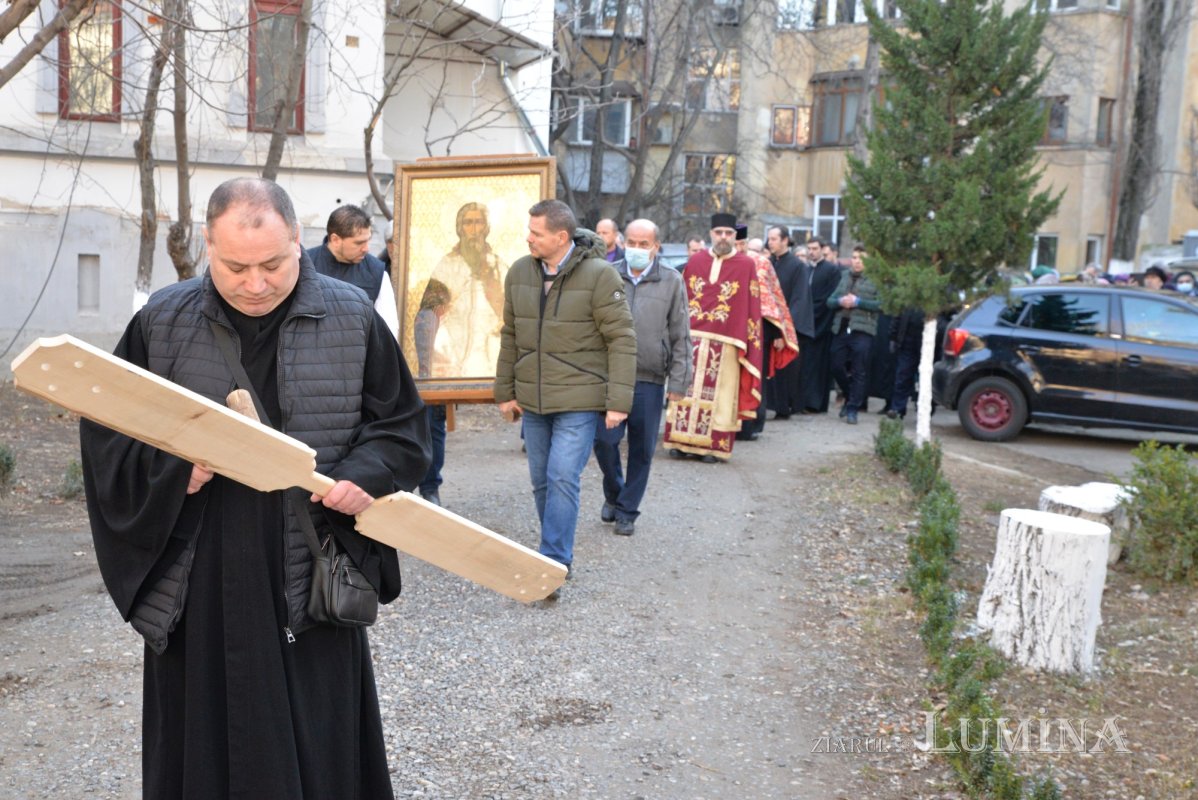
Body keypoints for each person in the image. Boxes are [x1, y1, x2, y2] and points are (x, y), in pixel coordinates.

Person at [79, 178, 431, 798]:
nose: (256, 282)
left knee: (318, 729)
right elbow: (107, 439)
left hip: (309, 562)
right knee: (205, 731)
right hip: (200, 570)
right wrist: (174, 472)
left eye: (273, 263)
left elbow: (402, 429)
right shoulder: (162, 321)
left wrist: (362, 477)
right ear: (207, 248)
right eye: (235, 267)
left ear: (299, 241)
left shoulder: (352, 318)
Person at [495, 200, 636, 576]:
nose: (528, 238)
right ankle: (552, 551)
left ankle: (553, 561)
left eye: (536, 233)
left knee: (562, 477)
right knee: (541, 481)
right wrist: (504, 392)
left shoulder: (600, 276)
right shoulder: (520, 273)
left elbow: (622, 339)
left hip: (580, 399)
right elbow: (510, 335)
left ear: (560, 237)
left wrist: (618, 402)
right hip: (534, 402)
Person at [592, 218, 691, 536]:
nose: (636, 249)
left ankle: (627, 511)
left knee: (642, 448)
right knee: (604, 442)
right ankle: (614, 491)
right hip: (609, 376)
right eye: (631, 243)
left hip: (649, 376)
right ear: (623, 242)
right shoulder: (608, 274)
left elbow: (680, 333)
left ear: (656, 247)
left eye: (643, 244)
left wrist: (678, 381)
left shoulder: (671, 280)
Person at [663, 213, 763, 462]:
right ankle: (680, 441)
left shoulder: (746, 265)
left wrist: (749, 342)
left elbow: (752, 306)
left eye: (728, 233)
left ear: (734, 236)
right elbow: (682, 301)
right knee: (685, 389)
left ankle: (715, 448)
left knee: (722, 395)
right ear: (711, 234)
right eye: (719, 232)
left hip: (728, 341)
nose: (723, 237)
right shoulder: (695, 261)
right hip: (692, 337)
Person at [423, 201, 508, 378]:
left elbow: (509, 310)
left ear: (486, 227)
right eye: (468, 223)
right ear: (460, 228)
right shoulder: (446, 265)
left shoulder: (499, 266)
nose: (474, 229)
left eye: (479, 222)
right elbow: (430, 311)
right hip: (451, 348)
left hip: (489, 351)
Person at [735, 224, 798, 441]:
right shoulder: (721, 262)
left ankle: (751, 425)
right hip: (730, 328)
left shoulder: (761, 263)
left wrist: (779, 333)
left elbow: (774, 299)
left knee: (754, 374)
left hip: (759, 329)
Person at [307, 204, 400, 337]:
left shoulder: (377, 272)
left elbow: (388, 329)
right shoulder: (304, 266)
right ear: (335, 239)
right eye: (359, 243)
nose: (366, 248)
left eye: (368, 241)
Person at [828, 245, 882, 425]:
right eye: (855, 257)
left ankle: (852, 409)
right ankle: (850, 395)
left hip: (863, 330)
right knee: (836, 365)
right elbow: (830, 301)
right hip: (842, 327)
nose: (857, 261)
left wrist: (859, 302)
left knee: (859, 369)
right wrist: (840, 301)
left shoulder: (876, 279)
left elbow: (881, 305)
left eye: (861, 258)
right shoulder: (844, 276)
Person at [765, 225, 812, 419]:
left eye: (774, 239)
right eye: (769, 239)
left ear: (785, 240)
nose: (770, 243)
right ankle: (771, 404)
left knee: (786, 370)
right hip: (769, 323)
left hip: (787, 327)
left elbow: (799, 300)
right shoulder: (768, 263)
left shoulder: (797, 266)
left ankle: (784, 407)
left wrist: (783, 332)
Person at [413, 279, 452, 505]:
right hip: (421, 379)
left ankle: (429, 488)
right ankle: (427, 488)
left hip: (433, 381)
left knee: (433, 429)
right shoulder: (428, 318)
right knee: (429, 430)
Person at [798, 236, 844, 413]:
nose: (811, 252)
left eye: (815, 248)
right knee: (805, 366)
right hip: (806, 324)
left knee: (818, 367)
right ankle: (803, 401)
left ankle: (816, 403)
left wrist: (814, 315)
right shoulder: (805, 269)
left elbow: (830, 298)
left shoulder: (831, 270)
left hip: (822, 325)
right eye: (809, 249)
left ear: (822, 249)